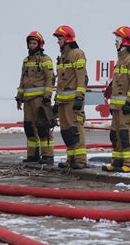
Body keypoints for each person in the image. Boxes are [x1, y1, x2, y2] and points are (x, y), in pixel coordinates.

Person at [102, 26, 130, 173]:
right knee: (116, 135)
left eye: (117, 39)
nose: (115, 42)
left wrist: (129, 102)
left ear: (125, 41)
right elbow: (121, 81)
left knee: (127, 135)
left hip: (128, 107)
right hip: (117, 106)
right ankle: (117, 162)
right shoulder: (121, 60)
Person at [16, 31, 55, 165]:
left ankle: (47, 156)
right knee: (29, 128)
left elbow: (50, 79)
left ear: (40, 44)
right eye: (30, 43)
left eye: (34, 43)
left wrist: (47, 96)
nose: (32, 45)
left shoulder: (45, 60)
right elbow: (23, 80)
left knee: (43, 127)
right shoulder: (26, 60)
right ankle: (32, 155)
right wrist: (19, 97)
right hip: (27, 100)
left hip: (39, 99)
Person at [53, 25, 88, 170]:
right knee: (66, 132)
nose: (58, 41)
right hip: (63, 101)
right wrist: (56, 100)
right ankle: (71, 159)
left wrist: (79, 97)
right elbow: (60, 82)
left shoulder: (77, 54)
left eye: (60, 38)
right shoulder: (62, 57)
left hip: (73, 101)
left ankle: (80, 160)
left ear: (67, 39)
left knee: (75, 130)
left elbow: (82, 78)